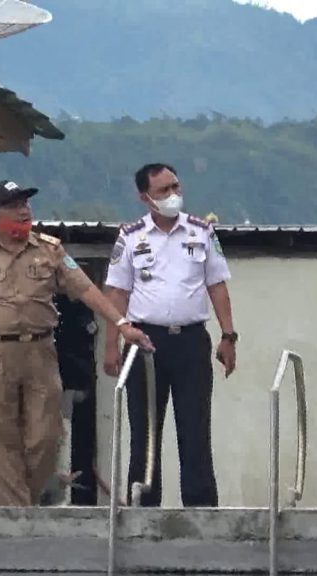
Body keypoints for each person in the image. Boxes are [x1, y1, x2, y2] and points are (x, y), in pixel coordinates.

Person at [0, 180, 154, 507]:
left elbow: (86, 289)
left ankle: (23, 504)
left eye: (26, 204)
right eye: (14, 206)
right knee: (1, 441)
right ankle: (18, 517)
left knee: (46, 436)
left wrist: (122, 324)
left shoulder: (49, 250)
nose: (23, 211)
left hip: (39, 351)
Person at [103, 163, 237, 507]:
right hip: (144, 342)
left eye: (175, 186)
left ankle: (202, 511)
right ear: (145, 198)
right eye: (163, 190)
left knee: (195, 430)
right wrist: (111, 345)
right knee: (145, 432)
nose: (173, 195)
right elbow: (117, 293)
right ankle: (143, 510)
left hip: (191, 341)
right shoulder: (131, 236)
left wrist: (228, 336)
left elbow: (217, 285)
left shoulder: (201, 232)